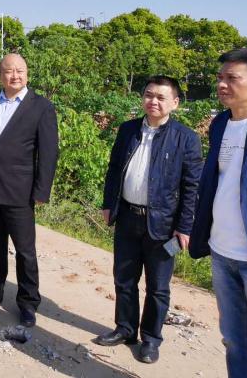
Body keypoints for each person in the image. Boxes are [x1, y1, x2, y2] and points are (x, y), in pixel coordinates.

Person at [95, 76, 202, 364]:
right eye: (148, 95)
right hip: (127, 216)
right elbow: (114, 168)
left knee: (158, 287)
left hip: (163, 224)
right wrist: (108, 203)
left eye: (161, 97)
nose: (153, 101)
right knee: (124, 279)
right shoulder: (128, 129)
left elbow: (192, 187)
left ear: (175, 103)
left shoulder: (186, 138)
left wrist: (184, 227)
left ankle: (151, 339)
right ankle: (125, 329)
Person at [189, 48, 247, 377]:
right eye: (220, 77)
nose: (222, 84)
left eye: (232, 78)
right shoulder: (220, 123)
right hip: (223, 252)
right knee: (236, 341)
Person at [0, 53, 59, 329]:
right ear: (0, 75)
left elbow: (48, 153)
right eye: (9, 71)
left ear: (27, 73)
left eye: (20, 70)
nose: (15, 75)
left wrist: (42, 190)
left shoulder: (41, 107)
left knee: (25, 251)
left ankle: (28, 302)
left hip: (20, 190)